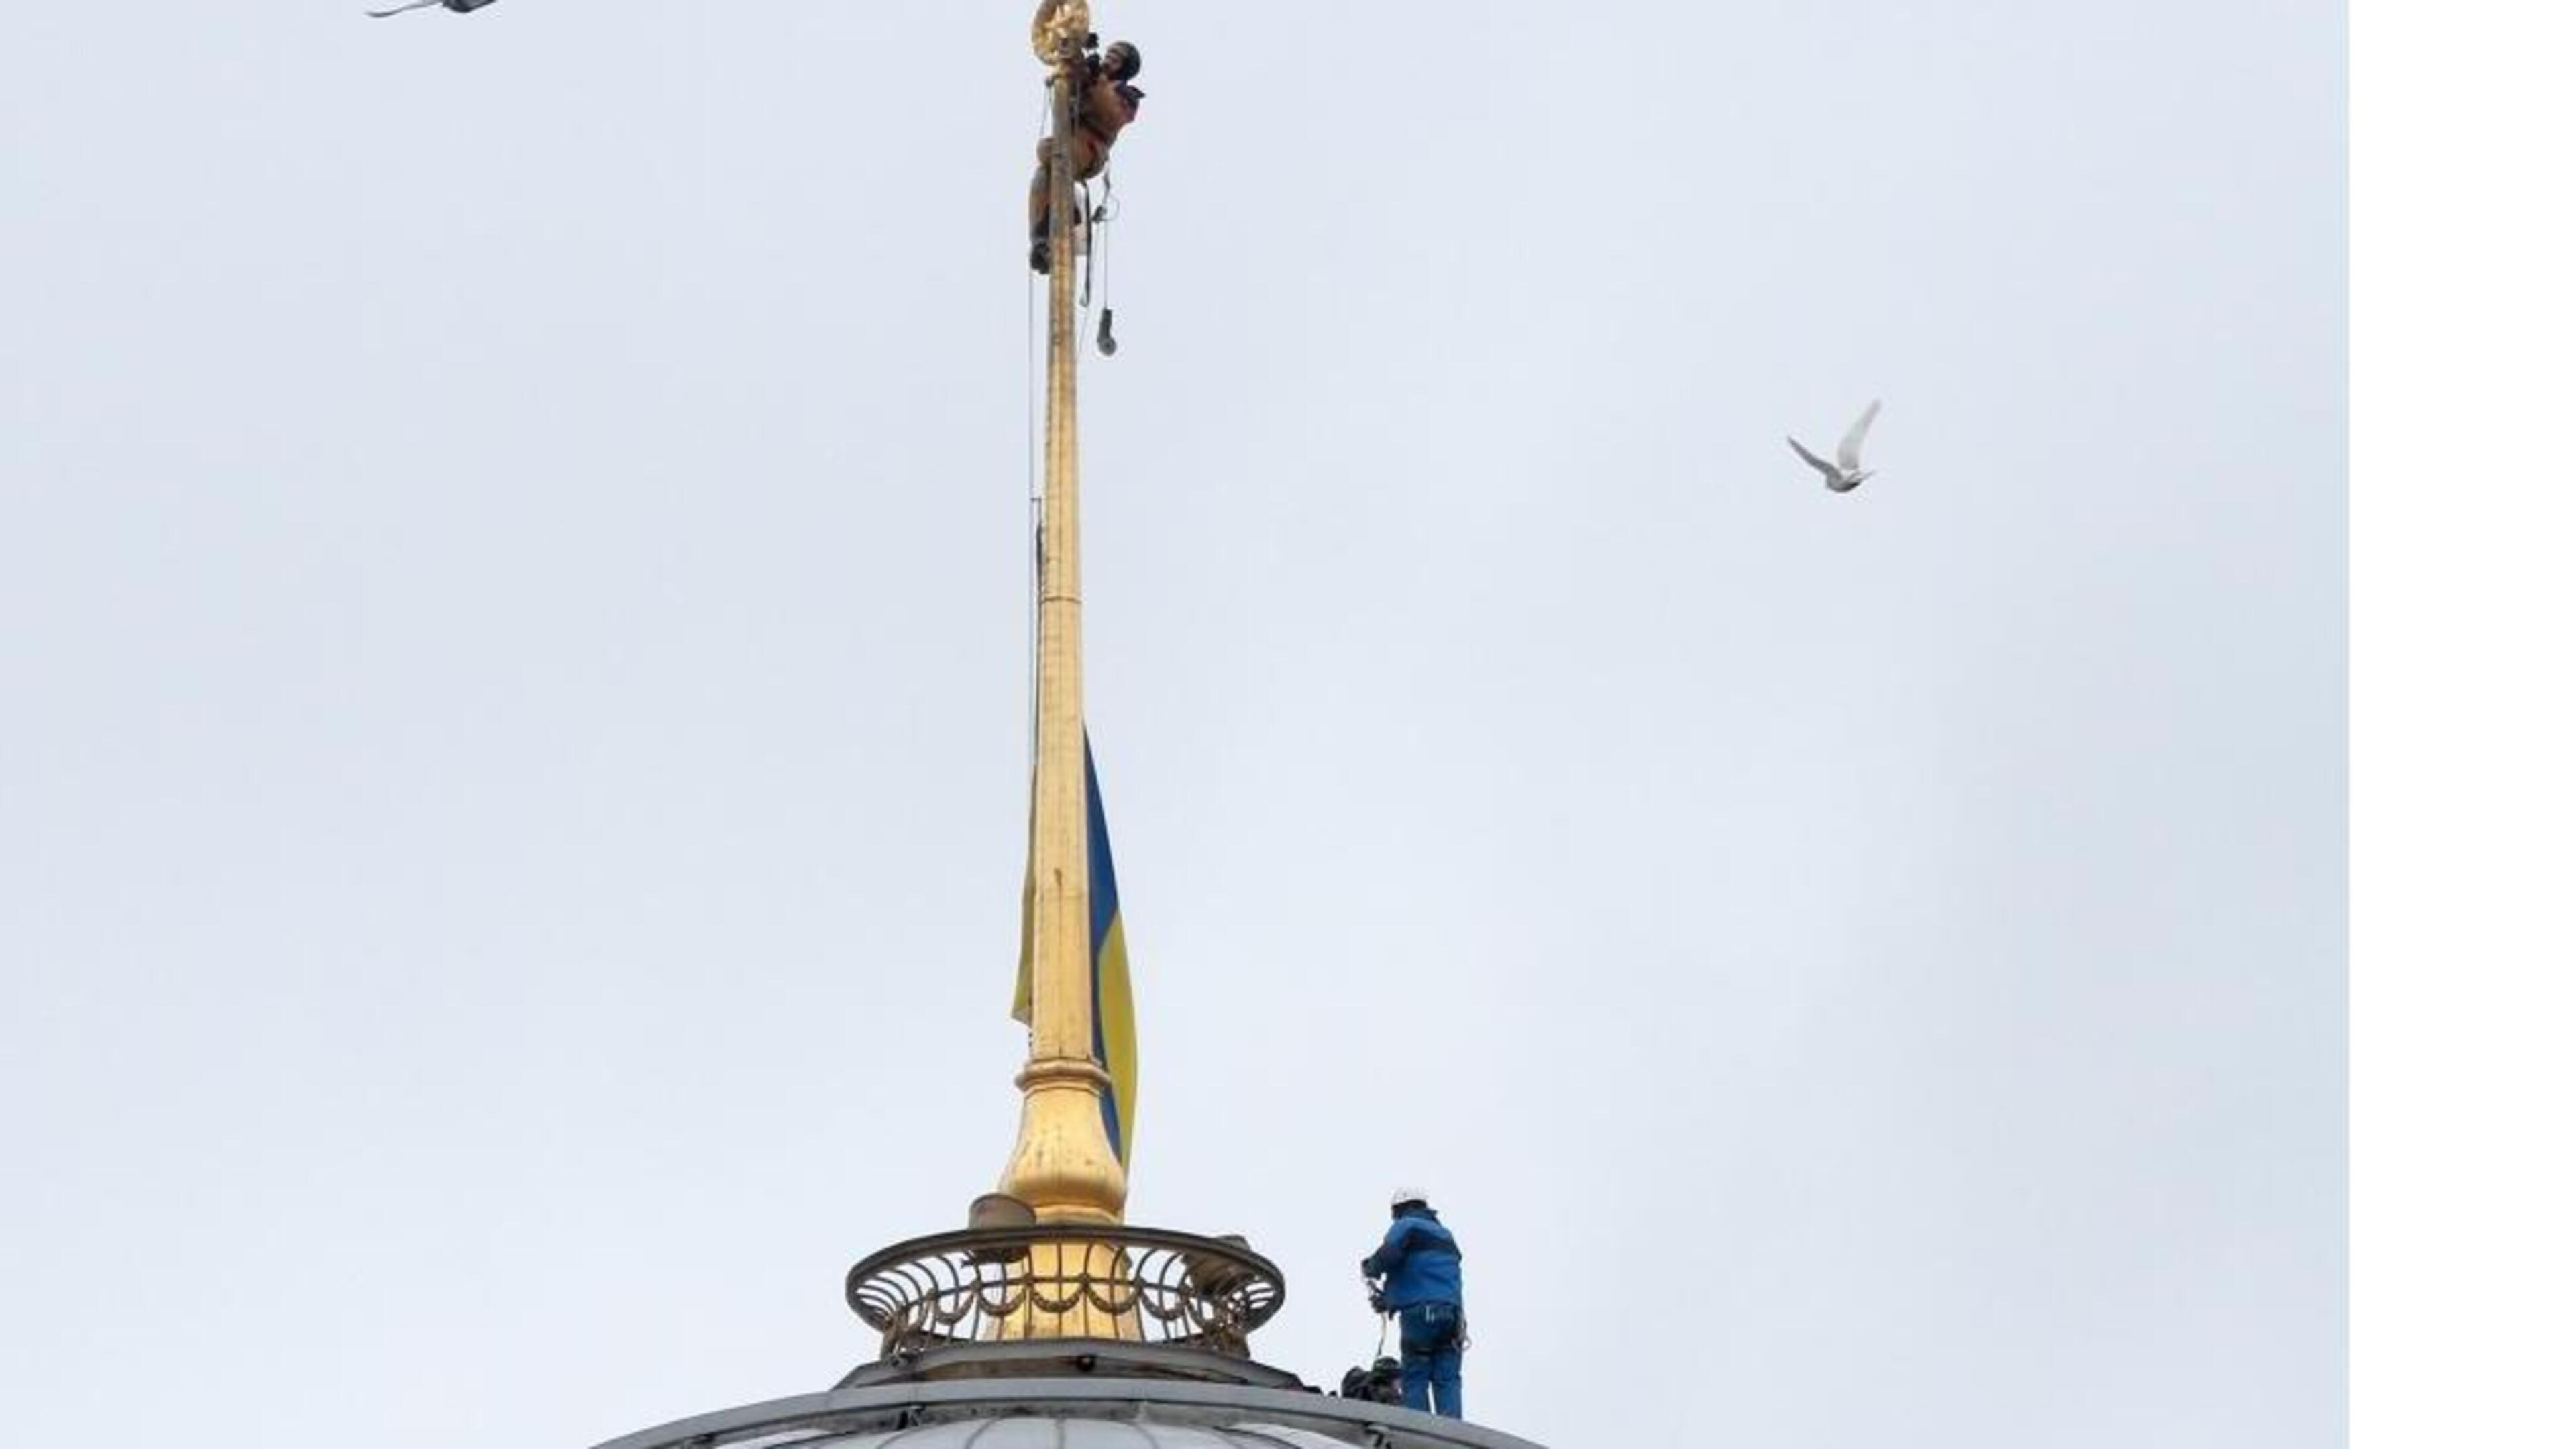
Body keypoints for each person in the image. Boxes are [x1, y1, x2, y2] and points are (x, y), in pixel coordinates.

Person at [1027, 38, 1143, 274]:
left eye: (1117, 55)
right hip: (1068, 141)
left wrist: (1094, 78)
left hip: (1090, 148)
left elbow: (1108, 112)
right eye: (1110, 52)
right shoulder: (1093, 77)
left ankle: (1072, 214)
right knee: (1043, 171)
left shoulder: (1125, 94)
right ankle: (1041, 239)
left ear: (1125, 65)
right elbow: (1068, 89)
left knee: (1055, 154)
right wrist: (1076, 59)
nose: (1110, 57)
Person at [1360, 1189, 1466, 1419]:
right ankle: (1451, 1434)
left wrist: (1371, 1268)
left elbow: (1389, 1255)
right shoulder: (1445, 1235)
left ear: (1398, 1209)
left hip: (1421, 1314)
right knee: (1447, 1378)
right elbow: (1424, 1277)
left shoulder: (1407, 1225)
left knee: (1415, 1374)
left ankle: (1419, 1433)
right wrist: (1388, 1300)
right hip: (1452, 1317)